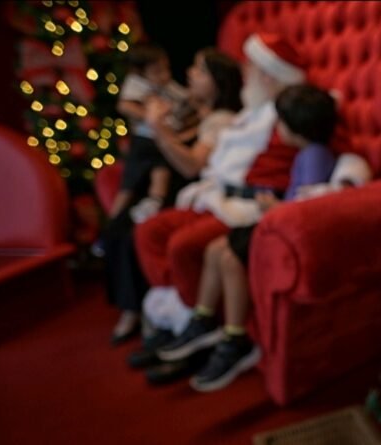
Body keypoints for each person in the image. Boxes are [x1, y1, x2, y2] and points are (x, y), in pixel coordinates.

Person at [131, 33, 307, 382]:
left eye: (250, 67)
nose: (244, 73)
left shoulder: (288, 115)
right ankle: (181, 318)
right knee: (149, 231)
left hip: (246, 205)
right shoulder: (250, 113)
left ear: (267, 74)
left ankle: (203, 329)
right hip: (219, 196)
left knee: (184, 246)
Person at [156, 84, 338, 392]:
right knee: (215, 249)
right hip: (276, 222)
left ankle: (235, 337)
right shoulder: (308, 153)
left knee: (228, 257)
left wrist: (274, 208)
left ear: (295, 128)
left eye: (281, 123)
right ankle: (204, 318)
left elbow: (308, 209)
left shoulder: (314, 156)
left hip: (283, 228)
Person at [104, 48, 242, 344]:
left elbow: (192, 165)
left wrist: (158, 128)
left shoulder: (220, 120)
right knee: (116, 230)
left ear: (218, 82)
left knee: (131, 233)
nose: (189, 73)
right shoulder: (189, 106)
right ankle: (142, 309)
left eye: (200, 70)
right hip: (165, 177)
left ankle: (146, 312)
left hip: (185, 185)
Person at [112, 44, 195, 222]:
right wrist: (151, 117)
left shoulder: (167, 85)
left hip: (160, 138)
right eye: (157, 72)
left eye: (166, 69)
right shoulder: (137, 84)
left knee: (161, 170)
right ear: (140, 72)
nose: (164, 75)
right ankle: (114, 220)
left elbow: (185, 97)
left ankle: (153, 203)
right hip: (144, 139)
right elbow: (124, 105)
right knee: (129, 183)